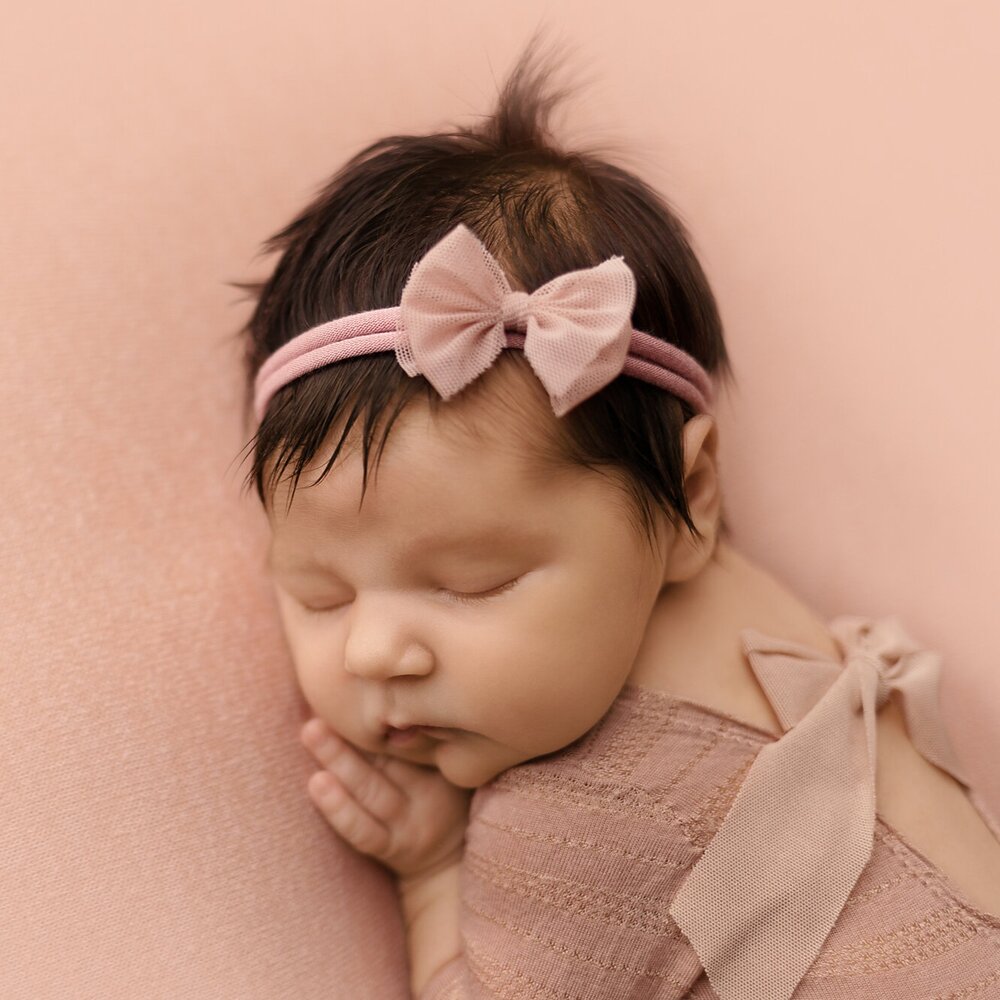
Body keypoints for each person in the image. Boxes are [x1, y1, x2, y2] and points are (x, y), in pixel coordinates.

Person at [236, 40, 1000, 1000]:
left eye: (474, 582)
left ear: (694, 499)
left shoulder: (577, 816)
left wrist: (434, 875)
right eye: (319, 592)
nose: (376, 651)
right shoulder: (746, 610)